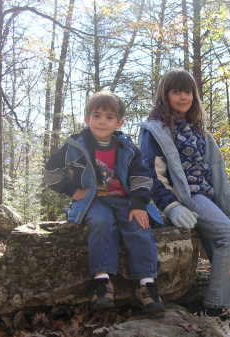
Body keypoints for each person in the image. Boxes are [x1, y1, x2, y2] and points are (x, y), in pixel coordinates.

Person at [139, 70, 230, 336]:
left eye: (188, 91)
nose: (183, 96)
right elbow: (152, 174)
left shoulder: (199, 131)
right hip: (187, 199)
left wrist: (224, 206)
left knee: (226, 253)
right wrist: (171, 206)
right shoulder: (155, 130)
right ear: (165, 95)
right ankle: (215, 310)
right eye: (176, 91)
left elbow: (214, 172)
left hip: (207, 200)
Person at [45, 91, 165, 315]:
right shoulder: (75, 146)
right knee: (101, 222)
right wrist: (72, 191)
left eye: (109, 117)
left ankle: (147, 283)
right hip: (93, 201)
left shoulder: (127, 148)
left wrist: (139, 204)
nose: (102, 121)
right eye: (97, 115)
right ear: (87, 118)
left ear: (119, 123)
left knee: (139, 225)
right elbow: (51, 173)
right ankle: (102, 282)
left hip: (124, 199)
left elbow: (142, 177)